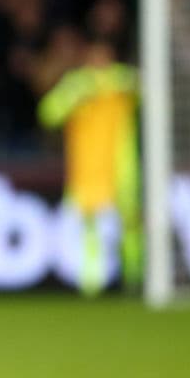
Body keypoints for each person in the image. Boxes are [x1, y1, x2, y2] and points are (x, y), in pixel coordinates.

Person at [38, 39, 140, 295]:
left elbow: (146, 88)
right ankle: (92, 282)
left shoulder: (122, 84)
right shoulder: (77, 86)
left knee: (130, 224)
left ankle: (135, 278)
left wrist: (120, 81)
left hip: (121, 170)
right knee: (89, 227)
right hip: (85, 171)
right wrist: (77, 93)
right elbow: (48, 113)